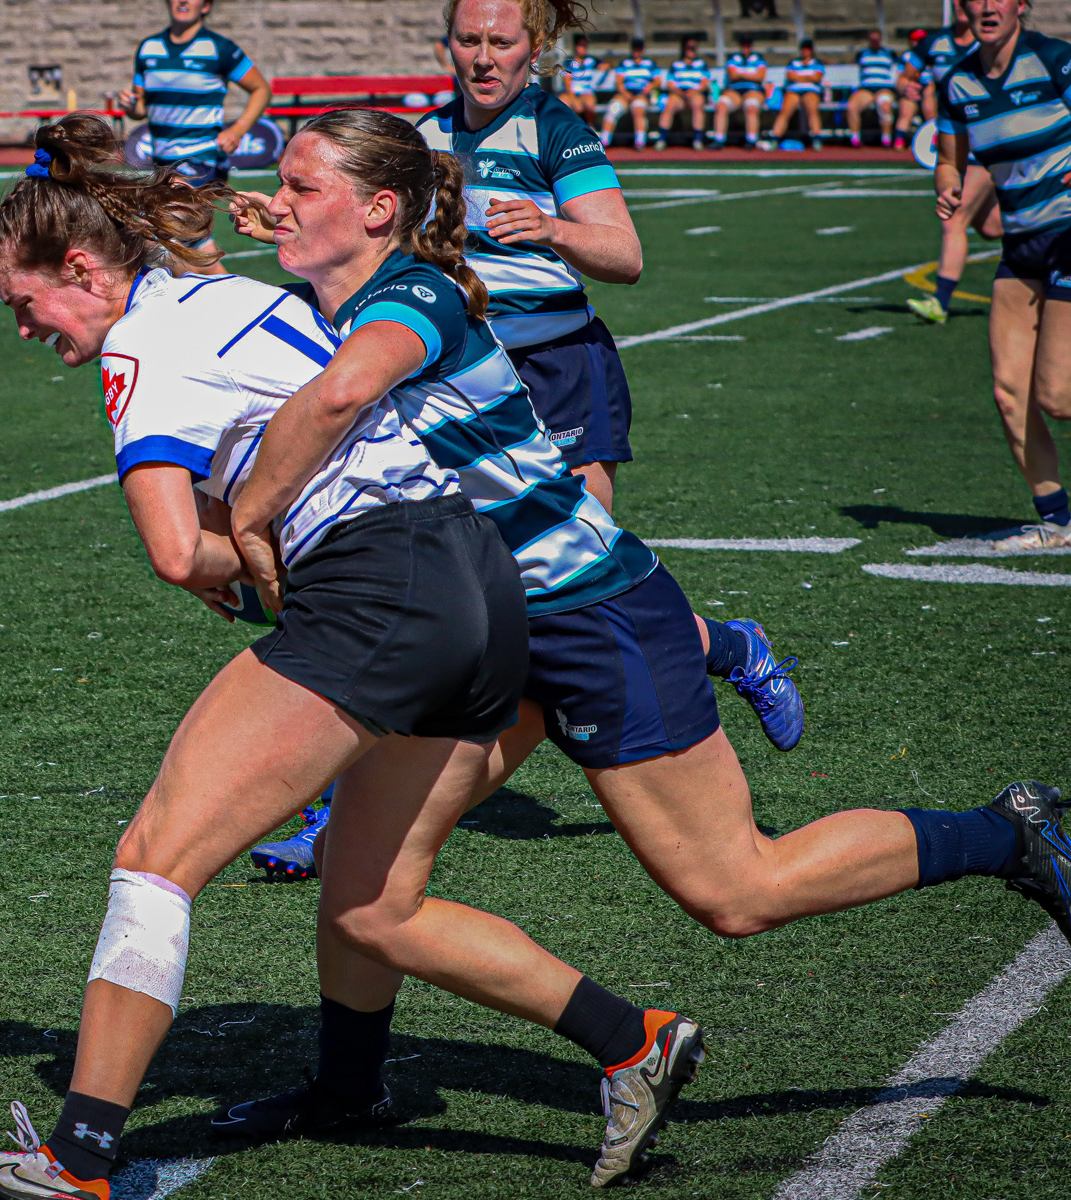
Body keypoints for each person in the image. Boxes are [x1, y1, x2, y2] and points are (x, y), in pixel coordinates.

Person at [217, 94, 1071, 1200]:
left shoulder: (411, 294)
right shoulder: (326, 294)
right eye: (276, 185)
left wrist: (243, 522)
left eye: (301, 186)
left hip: (590, 615)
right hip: (481, 626)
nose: (276, 203)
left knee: (735, 892)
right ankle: (351, 1091)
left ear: (379, 209)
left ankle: (1007, 836)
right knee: (363, 881)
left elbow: (339, 398)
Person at [0, 112, 533, 1200]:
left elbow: (172, 552)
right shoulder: (224, 290)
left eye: (27, 302)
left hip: (385, 581)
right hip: (479, 569)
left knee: (158, 852)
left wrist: (244, 564)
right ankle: (623, 1039)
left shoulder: (140, 353)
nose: (24, 328)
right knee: (367, 887)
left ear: (86, 268)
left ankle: (81, 1155)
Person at [414, 0, 805, 752]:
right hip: (466, 378)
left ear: (536, 48)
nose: (485, 57)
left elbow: (625, 256)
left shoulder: (557, 131)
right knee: (460, 574)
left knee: (575, 570)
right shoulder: (425, 137)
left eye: (502, 41)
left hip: (560, 369)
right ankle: (363, 797)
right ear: (448, 47)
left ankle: (728, 652)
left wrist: (553, 227)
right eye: (470, 40)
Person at [933, 0, 1071, 551]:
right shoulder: (959, 81)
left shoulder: (1056, 60)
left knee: (1058, 396)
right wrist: (947, 184)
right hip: (1021, 246)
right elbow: (951, 158)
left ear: (1021, 5)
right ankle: (1058, 521)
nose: (987, 6)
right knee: (1010, 393)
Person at [118, 0, 272, 274]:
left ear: (206, 6)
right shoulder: (148, 48)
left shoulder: (219, 48)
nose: (183, 1)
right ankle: (229, 297)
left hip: (200, 157)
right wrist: (132, 106)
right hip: (163, 161)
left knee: (150, 230)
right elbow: (141, 108)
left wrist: (237, 130)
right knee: (194, 244)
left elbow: (260, 89)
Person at [910, 0, 1004, 324]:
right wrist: (908, 87)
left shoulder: (997, 46)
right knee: (994, 227)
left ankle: (940, 302)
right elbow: (907, 77)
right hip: (956, 137)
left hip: (986, 147)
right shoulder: (936, 45)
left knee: (954, 219)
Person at [847, 28, 901, 148]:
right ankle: (855, 138)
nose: (875, 42)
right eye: (872, 39)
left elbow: (898, 68)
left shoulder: (889, 53)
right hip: (866, 88)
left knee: (884, 104)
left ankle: (886, 138)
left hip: (884, 87)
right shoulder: (862, 53)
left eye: (877, 39)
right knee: (852, 106)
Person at [601, 37, 658, 150]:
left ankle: (639, 141)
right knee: (613, 108)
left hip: (641, 94)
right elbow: (619, 82)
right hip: (625, 94)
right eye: (635, 49)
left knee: (638, 108)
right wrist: (625, 93)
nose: (637, 52)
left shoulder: (650, 64)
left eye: (639, 49)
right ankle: (604, 141)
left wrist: (650, 87)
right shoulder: (625, 64)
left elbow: (657, 80)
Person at [770, 38, 827, 150]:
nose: (805, 51)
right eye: (804, 49)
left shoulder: (817, 62)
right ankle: (775, 137)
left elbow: (816, 77)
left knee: (812, 109)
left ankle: (816, 138)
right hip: (794, 91)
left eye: (808, 49)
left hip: (811, 91)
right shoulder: (793, 62)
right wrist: (808, 77)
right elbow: (790, 76)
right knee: (785, 112)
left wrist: (799, 77)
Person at [715, 34, 769, 148]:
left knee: (751, 105)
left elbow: (760, 77)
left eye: (748, 45)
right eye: (744, 45)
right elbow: (733, 75)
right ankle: (719, 139)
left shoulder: (758, 58)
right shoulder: (733, 58)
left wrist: (741, 74)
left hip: (753, 90)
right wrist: (751, 74)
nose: (746, 48)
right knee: (722, 104)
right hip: (735, 91)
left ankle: (751, 139)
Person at [658, 36, 713, 149]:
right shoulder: (676, 65)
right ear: (684, 48)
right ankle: (662, 139)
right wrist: (680, 93)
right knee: (670, 103)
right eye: (689, 47)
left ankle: (697, 139)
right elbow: (671, 84)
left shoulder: (701, 64)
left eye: (693, 47)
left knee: (698, 102)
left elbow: (704, 83)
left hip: (695, 94)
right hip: (679, 95)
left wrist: (693, 92)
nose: (691, 50)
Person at [560, 33, 603, 127]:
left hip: (586, 92)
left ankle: (591, 128)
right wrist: (574, 99)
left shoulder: (591, 60)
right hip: (572, 92)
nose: (584, 48)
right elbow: (567, 83)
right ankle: (570, 129)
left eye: (585, 46)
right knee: (564, 103)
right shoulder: (569, 62)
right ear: (576, 47)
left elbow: (606, 64)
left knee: (589, 103)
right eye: (581, 45)